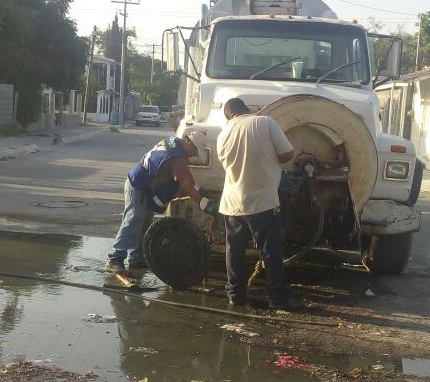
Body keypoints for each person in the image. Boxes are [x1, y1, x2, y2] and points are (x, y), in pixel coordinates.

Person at [215, 97, 299, 310]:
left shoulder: (223, 135)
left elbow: (230, 166)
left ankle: (235, 295)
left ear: (228, 115)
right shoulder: (264, 122)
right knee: (270, 251)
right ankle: (277, 299)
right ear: (248, 109)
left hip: (232, 203)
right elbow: (288, 154)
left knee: (234, 251)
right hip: (263, 202)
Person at [106, 135, 217, 274]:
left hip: (145, 185)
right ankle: (114, 258)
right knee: (134, 219)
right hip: (137, 185)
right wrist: (204, 203)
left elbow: (187, 178)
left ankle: (136, 259)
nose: (193, 155)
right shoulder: (177, 158)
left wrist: (200, 191)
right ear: (189, 143)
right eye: (194, 151)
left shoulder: (174, 144)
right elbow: (186, 185)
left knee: (144, 221)